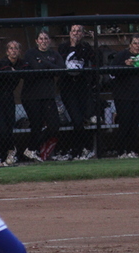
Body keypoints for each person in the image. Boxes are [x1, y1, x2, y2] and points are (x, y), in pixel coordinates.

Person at [21, 31, 65, 162]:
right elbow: (37, 69)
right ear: (36, 41)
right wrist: (50, 68)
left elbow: (61, 70)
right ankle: (32, 151)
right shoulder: (30, 53)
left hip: (48, 95)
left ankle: (31, 149)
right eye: (41, 39)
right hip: (31, 96)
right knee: (37, 125)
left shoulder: (54, 54)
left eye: (46, 38)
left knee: (54, 125)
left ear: (49, 40)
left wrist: (45, 63)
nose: (44, 41)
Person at [57, 24, 98, 160]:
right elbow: (63, 61)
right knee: (77, 120)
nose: (76, 33)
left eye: (79, 31)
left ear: (82, 34)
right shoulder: (63, 46)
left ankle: (83, 149)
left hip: (82, 86)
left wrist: (94, 42)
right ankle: (78, 149)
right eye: (73, 31)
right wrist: (73, 46)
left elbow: (95, 60)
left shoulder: (85, 46)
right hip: (68, 87)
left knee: (85, 119)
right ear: (70, 33)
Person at [110, 35, 139, 158]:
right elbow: (111, 71)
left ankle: (131, 150)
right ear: (130, 45)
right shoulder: (122, 55)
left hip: (137, 95)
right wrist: (125, 64)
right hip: (122, 95)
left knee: (134, 124)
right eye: (135, 43)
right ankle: (121, 151)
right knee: (125, 123)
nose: (137, 46)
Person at [0, 40, 25, 167]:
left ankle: (8, 156)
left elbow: (25, 70)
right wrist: (13, 71)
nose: (14, 50)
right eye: (11, 48)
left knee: (9, 126)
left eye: (16, 48)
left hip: (9, 96)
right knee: (2, 128)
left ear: (19, 51)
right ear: (7, 51)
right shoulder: (3, 62)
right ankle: (6, 153)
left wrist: (15, 71)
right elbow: (8, 71)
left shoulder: (20, 63)